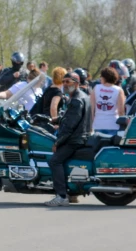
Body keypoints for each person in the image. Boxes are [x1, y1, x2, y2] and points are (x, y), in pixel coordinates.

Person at [45, 72, 92, 207]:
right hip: (82, 135)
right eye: (64, 81)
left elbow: (70, 126)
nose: (65, 84)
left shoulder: (76, 100)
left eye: (68, 82)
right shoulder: (83, 96)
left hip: (74, 139)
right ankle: (72, 193)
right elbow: (72, 118)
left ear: (76, 83)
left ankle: (61, 196)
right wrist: (56, 119)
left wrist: (58, 142)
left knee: (55, 161)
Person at [91, 67, 125, 135]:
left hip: (98, 124)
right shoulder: (118, 90)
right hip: (113, 124)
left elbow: (91, 109)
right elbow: (121, 111)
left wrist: (92, 123)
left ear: (104, 77)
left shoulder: (96, 88)